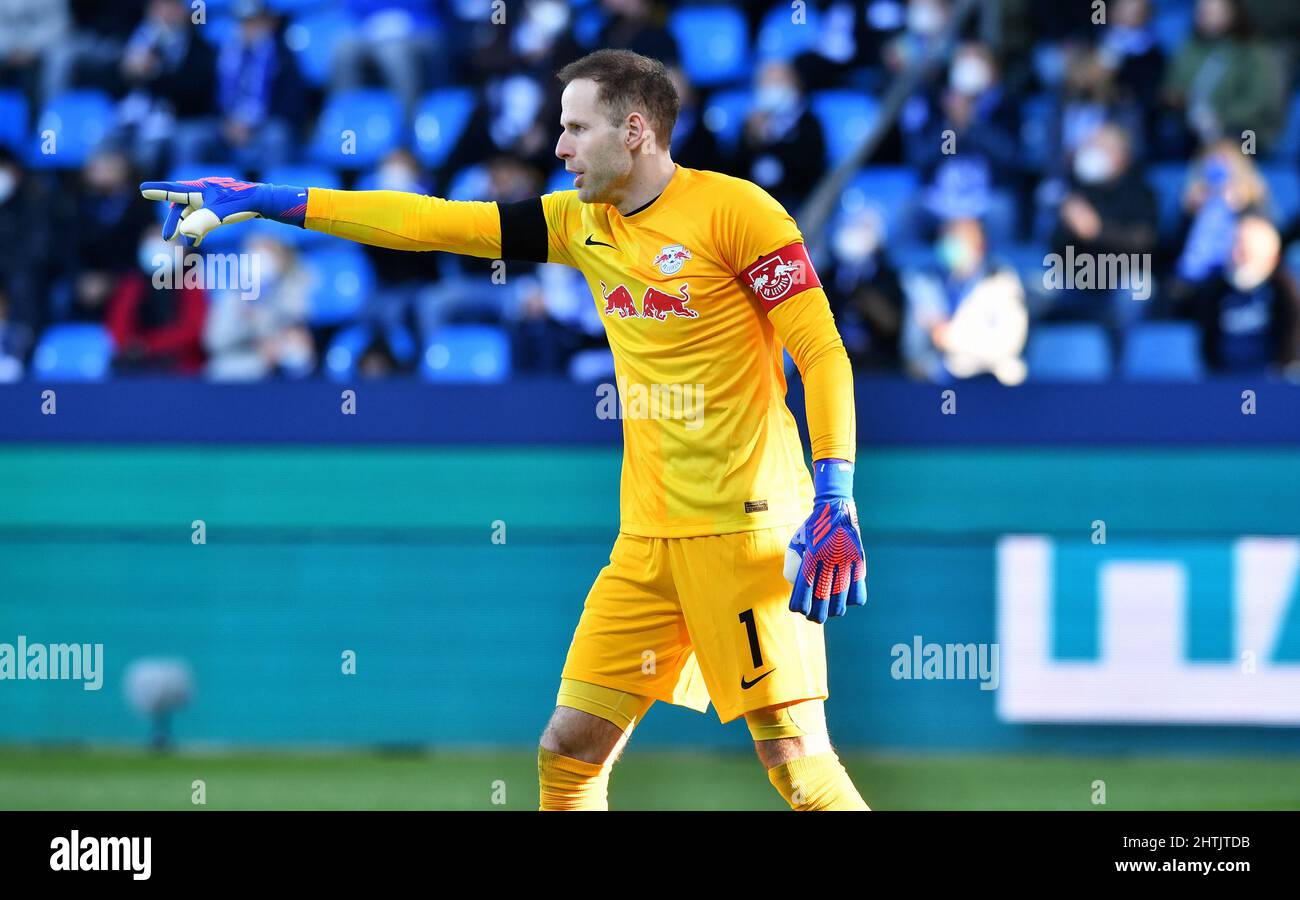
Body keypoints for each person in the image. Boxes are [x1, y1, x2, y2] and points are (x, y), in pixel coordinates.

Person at [140, 49, 869, 811]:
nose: (557, 147)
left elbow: (821, 352)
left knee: (797, 766)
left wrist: (836, 496)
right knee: (569, 751)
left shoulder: (738, 213)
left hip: (745, 529)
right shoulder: (579, 221)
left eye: (575, 129)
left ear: (634, 130)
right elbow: (427, 223)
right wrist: (267, 198)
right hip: (649, 538)